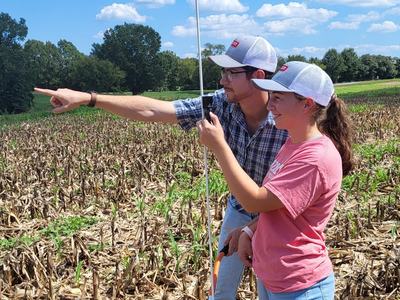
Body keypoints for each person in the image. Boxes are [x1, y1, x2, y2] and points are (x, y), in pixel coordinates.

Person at [34, 35, 288, 299]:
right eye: (222, 71)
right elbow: (154, 110)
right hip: (239, 207)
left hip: (279, 215)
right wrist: (89, 98)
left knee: (269, 287)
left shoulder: (287, 119)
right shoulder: (219, 104)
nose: (222, 80)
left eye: (230, 73)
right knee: (221, 288)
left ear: (258, 75)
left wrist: (255, 227)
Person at [198, 61, 353, 299]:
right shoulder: (292, 143)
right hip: (274, 278)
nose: (269, 105)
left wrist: (219, 146)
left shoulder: (316, 157)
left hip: (300, 285)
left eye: (278, 98)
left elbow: (256, 201)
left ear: (307, 104)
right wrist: (249, 231)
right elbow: (280, 209)